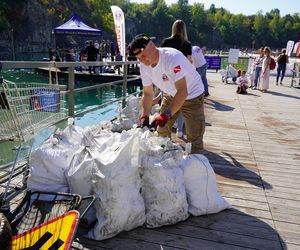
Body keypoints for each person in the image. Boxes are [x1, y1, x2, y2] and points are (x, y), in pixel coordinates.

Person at [129, 34, 205, 154]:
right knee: (162, 130)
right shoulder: (144, 66)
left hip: (192, 94)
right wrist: (144, 116)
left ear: (152, 46)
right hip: (170, 93)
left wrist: (166, 114)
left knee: (194, 136)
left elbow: (182, 92)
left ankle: (197, 163)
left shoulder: (172, 58)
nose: (142, 60)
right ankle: (164, 156)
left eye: (143, 56)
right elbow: (148, 93)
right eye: (139, 58)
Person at [160, 19, 192, 138]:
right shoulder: (187, 44)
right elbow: (189, 62)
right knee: (180, 103)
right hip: (181, 78)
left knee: (166, 105)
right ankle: (179, 130)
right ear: (184, 30)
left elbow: (161, 59)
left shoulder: (165, 41)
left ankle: (164, 133)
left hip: (167, 78)